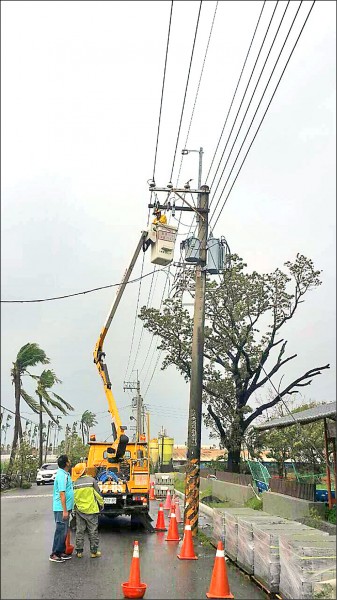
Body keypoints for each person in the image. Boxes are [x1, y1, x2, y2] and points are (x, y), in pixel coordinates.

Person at [72, 462, 104, 558]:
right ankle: (94, 552)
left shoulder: (75, 483)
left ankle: (79, 552)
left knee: (80, 531)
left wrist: (74, 508)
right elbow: (98, 495)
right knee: (93, 531)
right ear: (85, 470)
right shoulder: (91, 481)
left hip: (79, 511)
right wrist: (101, 505)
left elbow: (74, 497)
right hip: (91, 510)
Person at [50, 454, 74, 563]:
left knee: (64, 530)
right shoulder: (61, 475)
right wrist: (64, 510)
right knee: (60, 530)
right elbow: (62, 494)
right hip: (61, 508)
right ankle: (54, 553)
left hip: (65, 508)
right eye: (69, 460)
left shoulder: (65, 474)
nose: (70, 461)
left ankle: (61, 551)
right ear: (66, 463)